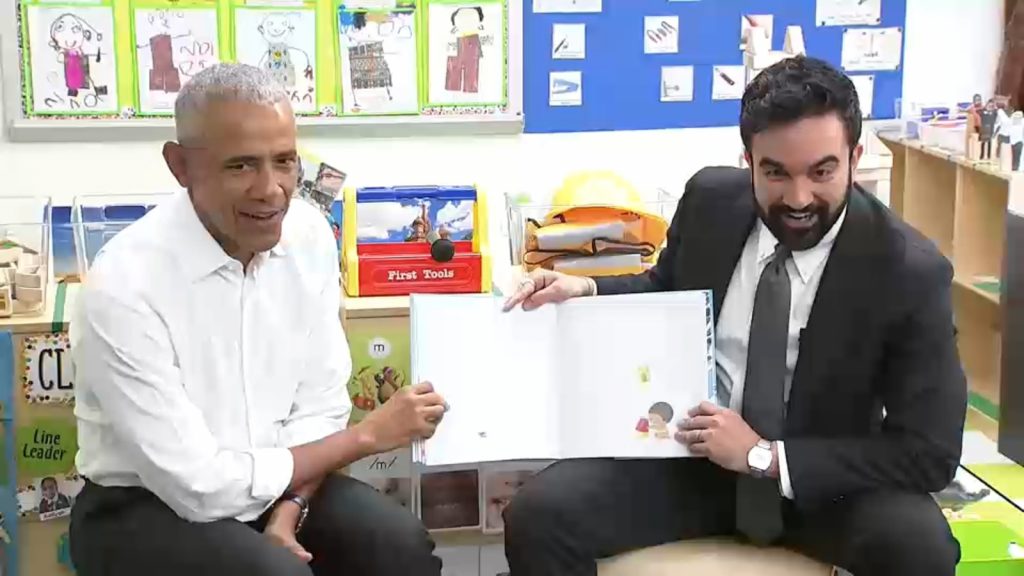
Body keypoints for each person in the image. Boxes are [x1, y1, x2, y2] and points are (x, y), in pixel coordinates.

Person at [501, 56, 966, 576]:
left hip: (822, 485)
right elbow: (666, 290)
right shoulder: (710, 201)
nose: (798, 198)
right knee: (536, 515)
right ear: (748, 160)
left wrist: (764, 456)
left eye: (822, 171)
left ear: (854, 157)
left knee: (922, 549)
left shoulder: (909, 272)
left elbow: (930, 453)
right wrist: (584, 287)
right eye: (775, 172)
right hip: (694, 461)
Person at [68, 63, 448, 576]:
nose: (271, 190)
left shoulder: (309, 235)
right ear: (180, 166)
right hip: (145, 505)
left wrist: (290, 511)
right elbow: (198, 485)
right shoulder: (124, 284)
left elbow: (321, 405)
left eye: (285, 162)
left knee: (398, 546)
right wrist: (367, 436)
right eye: (241, 166)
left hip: (284, 484)